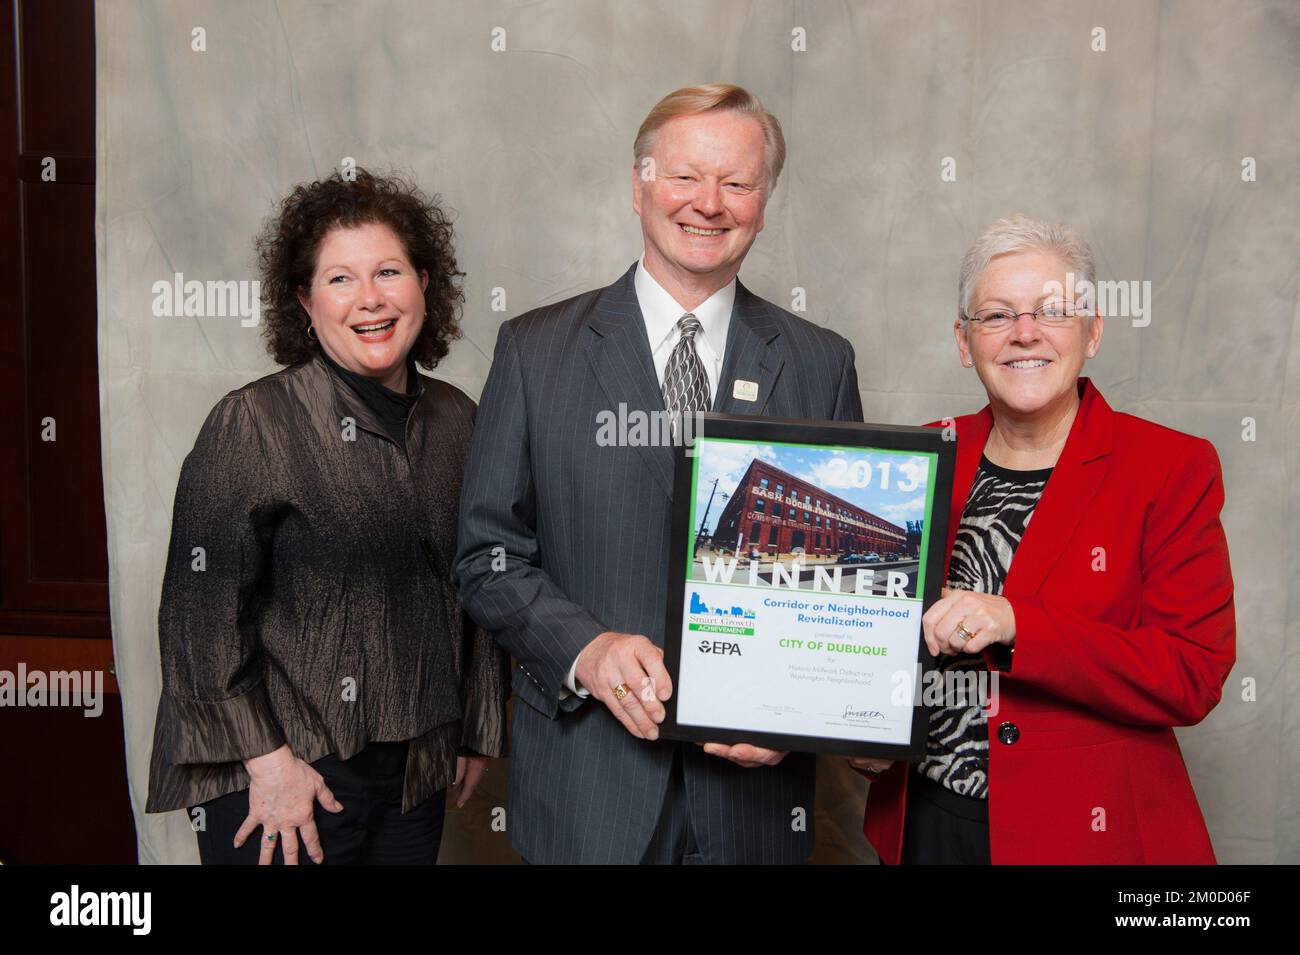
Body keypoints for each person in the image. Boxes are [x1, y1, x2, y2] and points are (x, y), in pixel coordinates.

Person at [454, 84, 863, 863]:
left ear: (764, 203)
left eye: (737, 183)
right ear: (639, 186)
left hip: (754, 806)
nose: (709, 203)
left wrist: (794, 712)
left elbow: (834, 579)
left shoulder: (819, 361)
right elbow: (487, 556)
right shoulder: (535, 352)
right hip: (587, 788)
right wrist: (586, 649)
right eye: (685, 177)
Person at [145, 169, 509, 865]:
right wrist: (269, 761)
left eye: (389, 272)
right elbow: (199, 617)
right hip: (286, 771)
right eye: (340, 279)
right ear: (305, 302)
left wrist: (474, 728)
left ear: (425, 284)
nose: (369, 299)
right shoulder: (252, 422)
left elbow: (480, 577)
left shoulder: (458, 417)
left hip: (415, 772)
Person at [855, 214, 1235, 863]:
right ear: (963, 340)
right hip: (928, 824)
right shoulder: (921, 454)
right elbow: (875, 622)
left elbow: (1190, 672)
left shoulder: (1169, 467)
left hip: (1087, 833)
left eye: (1050, 311)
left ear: (1092, 330)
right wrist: (862, 721)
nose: (1024, 333)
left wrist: (1018, 623)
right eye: (997, 315)